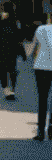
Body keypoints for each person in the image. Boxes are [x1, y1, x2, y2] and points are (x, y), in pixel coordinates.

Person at [0, 10, 26, 100]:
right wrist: (23, 53)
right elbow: (19, 41)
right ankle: (11, 90)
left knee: (4, 71)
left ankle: (7, 90)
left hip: (3, 53)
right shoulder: (13, 26)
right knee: (12, 71)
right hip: (11, 53)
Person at [33, 10, 52, 140]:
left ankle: (40, 131)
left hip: (41, 66)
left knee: (42, 98)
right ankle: (51, 130)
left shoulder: (41, 29)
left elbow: (35, 46)